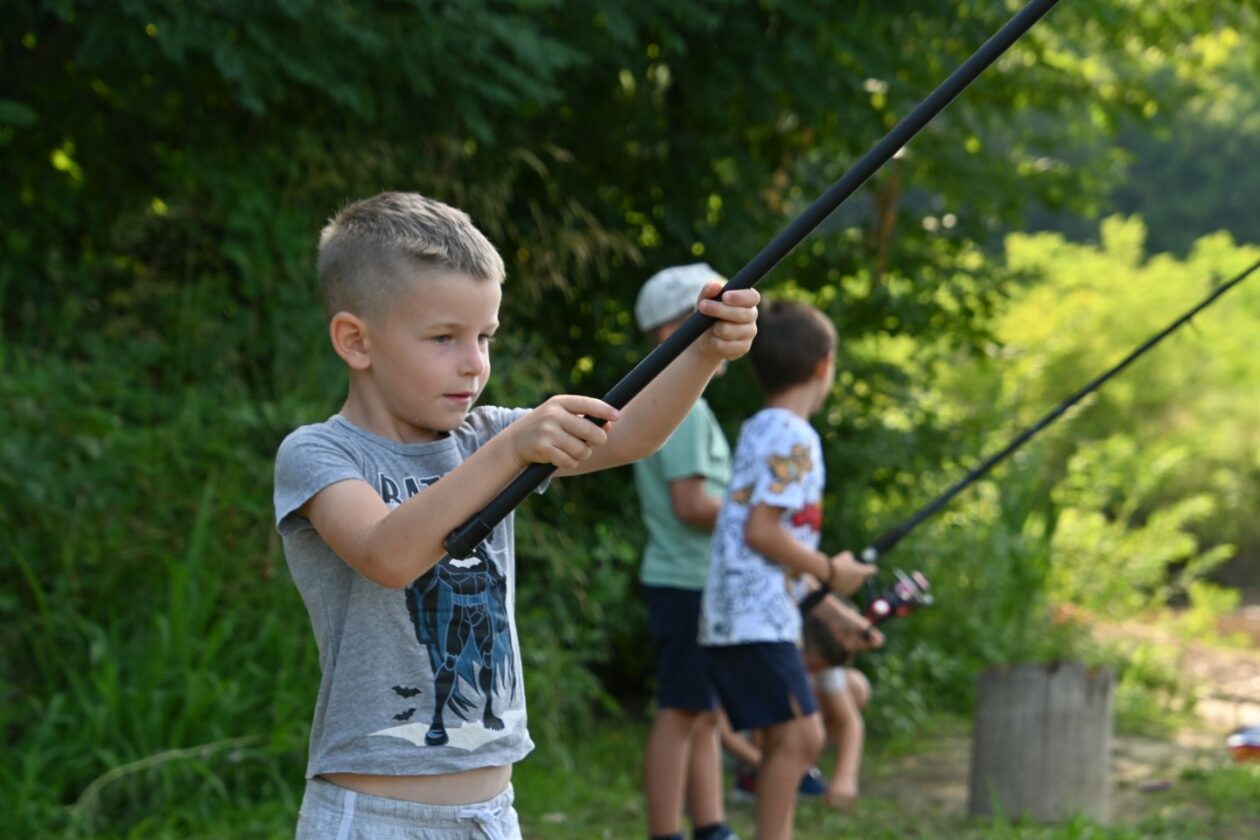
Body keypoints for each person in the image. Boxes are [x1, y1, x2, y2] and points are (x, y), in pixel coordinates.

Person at [272, 192, 759, 839]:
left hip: (492, 815)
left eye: (484, 337)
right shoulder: (320, 453)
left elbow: (632, 433)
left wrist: (704, 352)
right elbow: (388, 555)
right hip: (376, 819)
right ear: (356, 341)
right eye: (444, 338)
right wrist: (511, 448)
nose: (474, 362)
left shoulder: (485, 436)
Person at [698, 299, 876, 840]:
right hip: (755, 618)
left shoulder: (760, 427)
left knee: (784, 737)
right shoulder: (796, 437)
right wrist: (830, 570)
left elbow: (763, 538)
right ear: (825, 365)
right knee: (803, 738)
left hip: (743, 614)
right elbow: (763, 533)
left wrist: (832, 605)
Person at [632, 264, 738, 840]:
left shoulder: (677, 405)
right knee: (681, 711)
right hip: (685, 579)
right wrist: (757, 524)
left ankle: (712, 826)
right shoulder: (685, 409)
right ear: (679, 329)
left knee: (701, 710)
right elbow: (693, 504)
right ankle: (667, 831)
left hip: (693, 580)